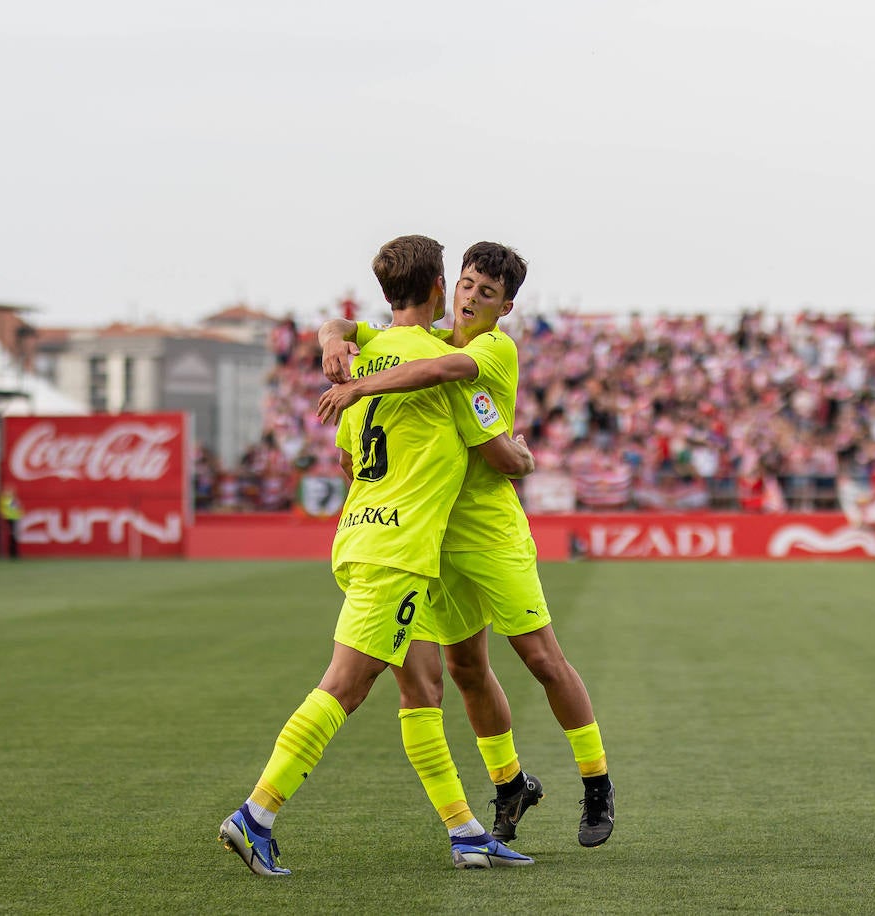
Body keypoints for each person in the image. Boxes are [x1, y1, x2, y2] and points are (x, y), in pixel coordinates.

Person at [220, 235, 536, 877]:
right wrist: (520, 456)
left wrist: (333, 339)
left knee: (423, 689)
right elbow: (492, 446)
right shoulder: (444, 358)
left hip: (362, 534)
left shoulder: (363, 360)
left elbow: (345, 457)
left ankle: (466, 834)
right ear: (440, 286)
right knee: (345, 685)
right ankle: (257, 814)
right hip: (399, 551)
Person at [316, 241, 615, 848]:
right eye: (468, 284)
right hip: (437, 537)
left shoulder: (491, 350)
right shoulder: (422, 341)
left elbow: (463, 401)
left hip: (493, 532)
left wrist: (360, 388)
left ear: (506, 308)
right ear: (450, 286)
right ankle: (510, 785)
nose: (473, 298)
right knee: (466, 669)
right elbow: (349, 326)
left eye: (488, 293)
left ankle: (596, 780)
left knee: (541, 658)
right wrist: (331, 339)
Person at [0, 486, 22, 559]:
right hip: (10, 520)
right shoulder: (6, 500)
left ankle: (14, 553)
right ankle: (12, 553)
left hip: (14, 519)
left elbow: (18, 509)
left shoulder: (12, 499)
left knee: (14, 537)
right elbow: (6, 510)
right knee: (12, 537)